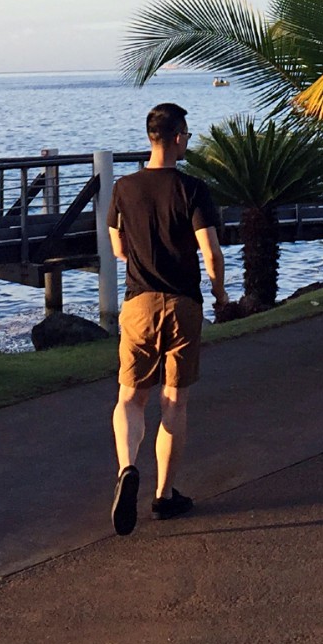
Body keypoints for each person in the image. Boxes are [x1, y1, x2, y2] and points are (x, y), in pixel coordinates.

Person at [107, 101, 228, 536]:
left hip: (138, 303)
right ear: (177, 137)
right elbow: (211, 252)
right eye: (188, 136)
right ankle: (164, 496)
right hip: (181, 304)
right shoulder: (192, 189)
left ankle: (126, 468)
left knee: (130, 397)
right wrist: (219, 291)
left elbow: (118, 247)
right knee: (174, 400)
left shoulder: (124, 187)